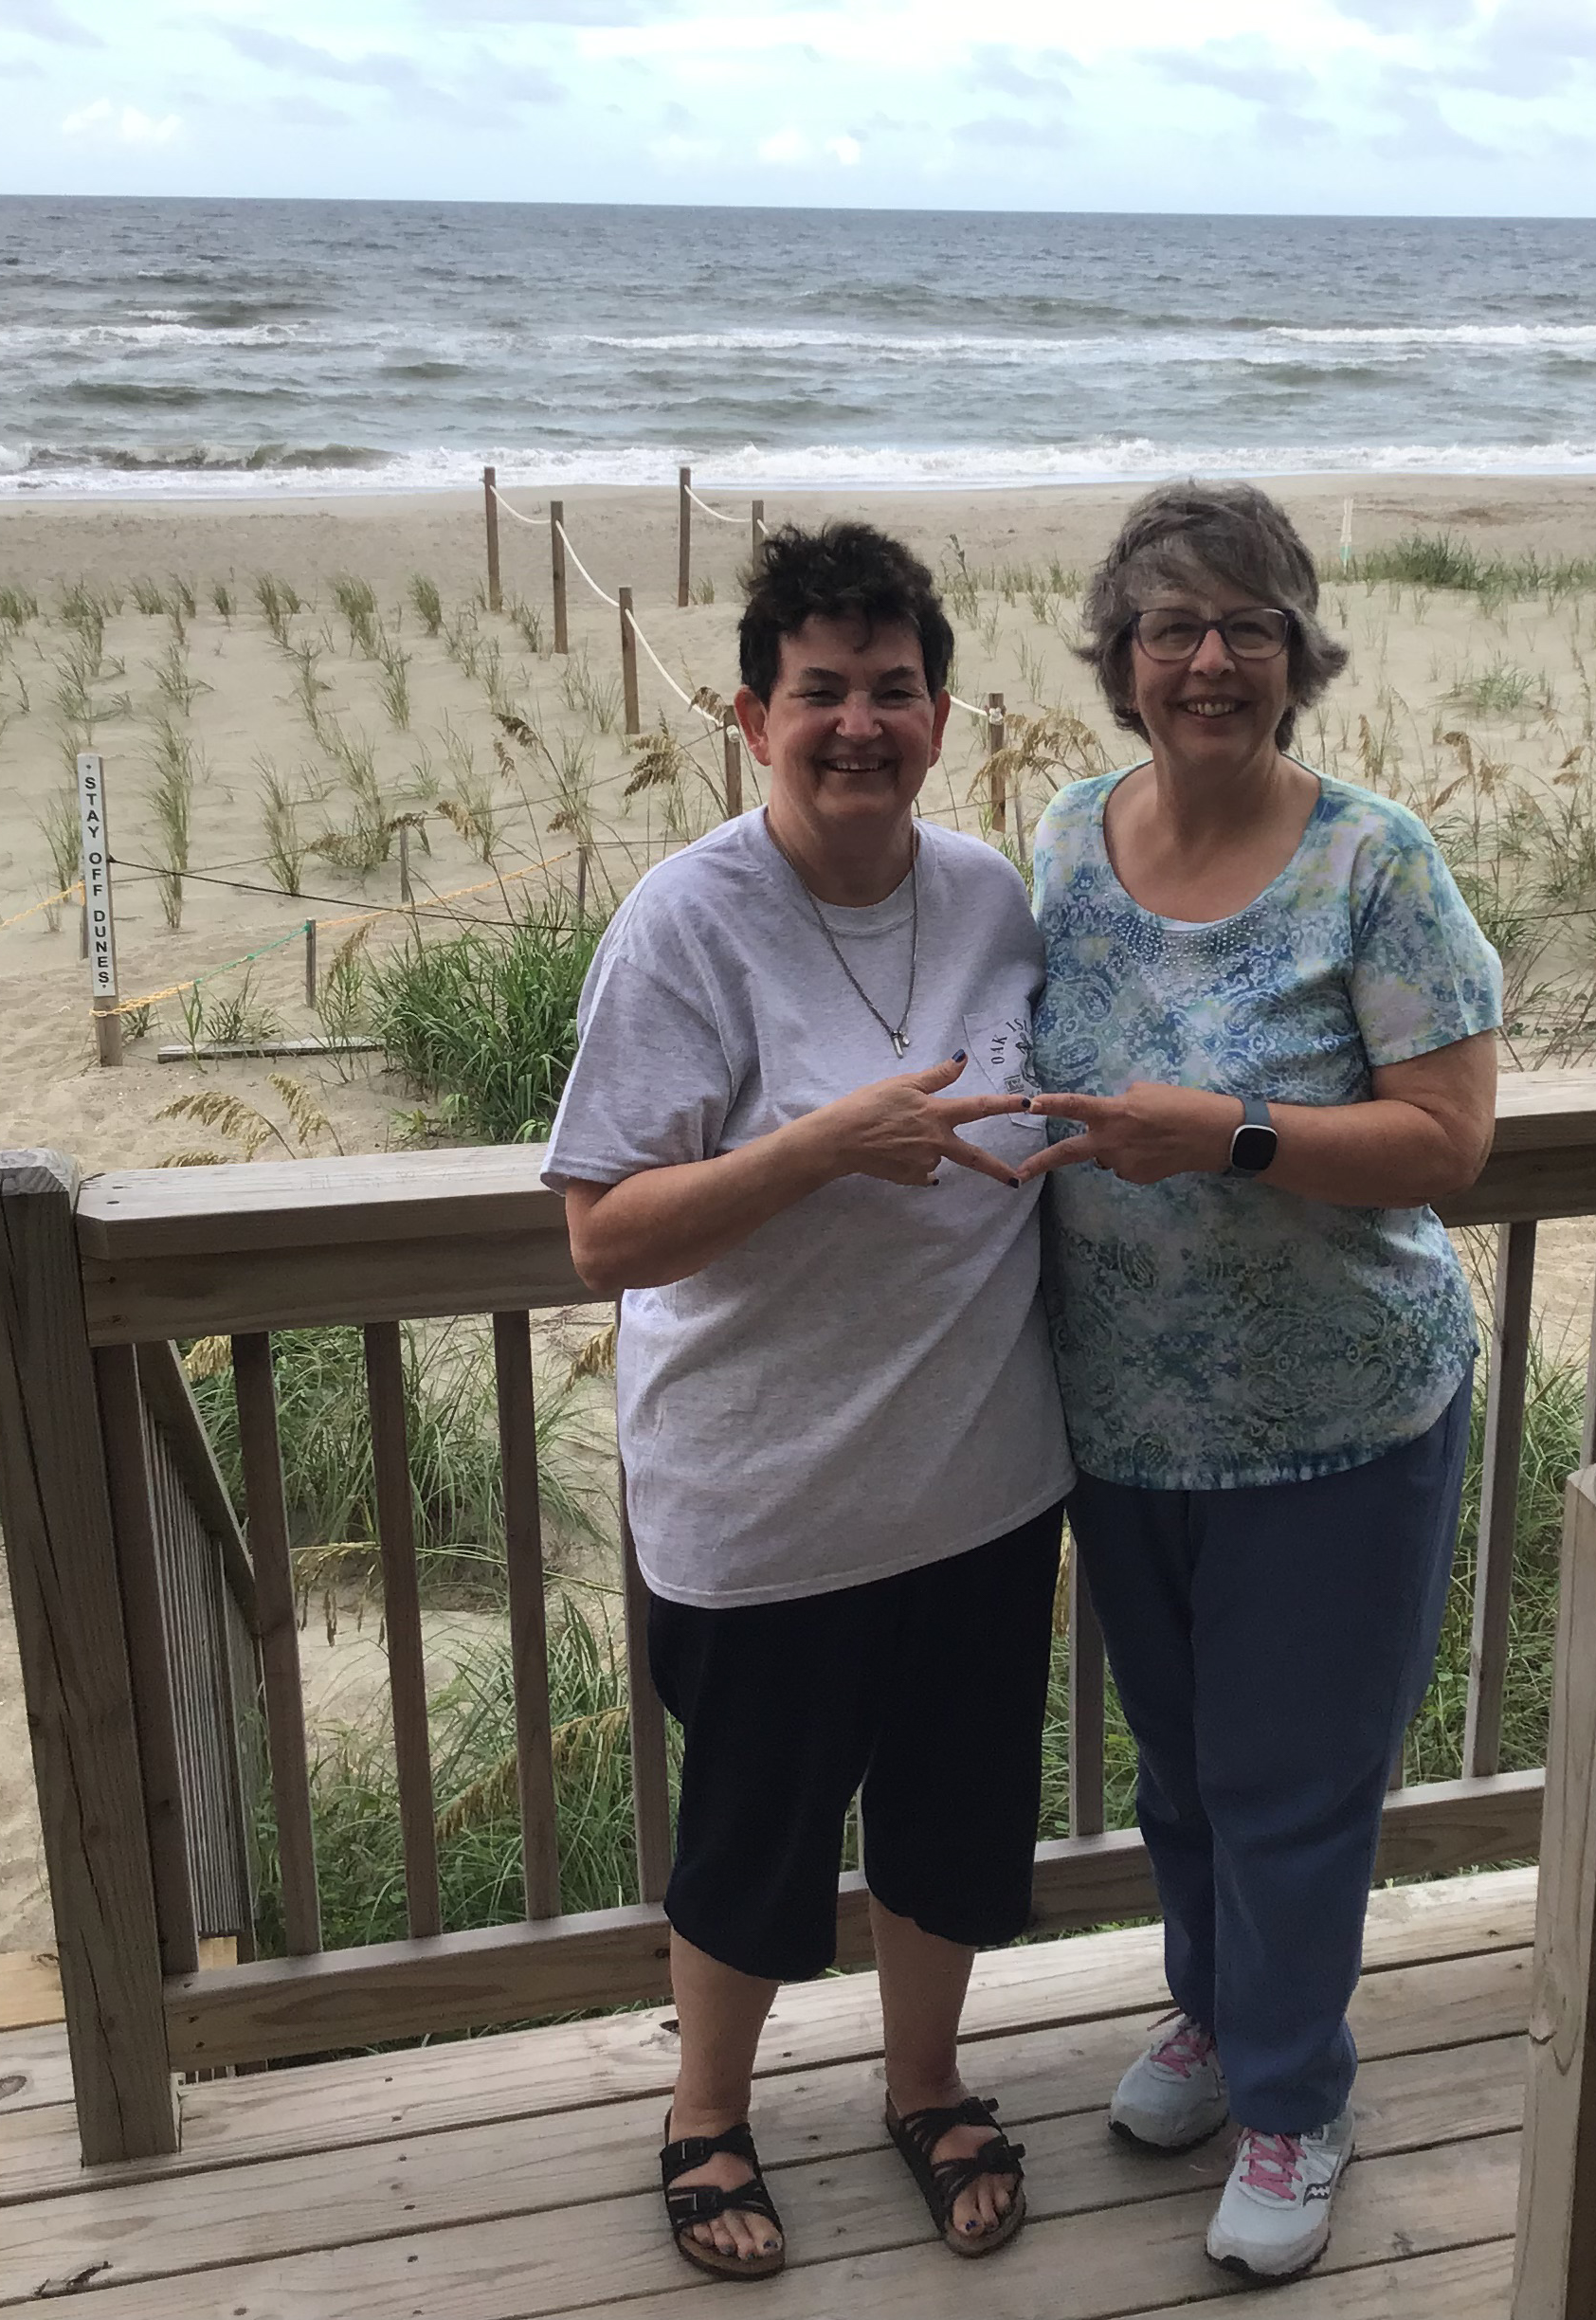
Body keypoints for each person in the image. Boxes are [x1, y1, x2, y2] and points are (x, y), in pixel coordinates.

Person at [543, 522, 1067, 2281]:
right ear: (754, 716)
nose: (861, 724)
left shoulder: (991, 896)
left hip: (983, 1483)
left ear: (941, 719)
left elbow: (1039, 1110)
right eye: (821, 691)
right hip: (766, 1501)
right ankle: (706, 2111)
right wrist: (821, 1148)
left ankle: (927, 2083)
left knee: (952, 1824)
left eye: (894, 690)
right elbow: (605, 1234)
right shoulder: (687, 924)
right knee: (754, 1839)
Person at [1019, 480, 1504, 2282]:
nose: (1209, 660)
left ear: (1299, 656)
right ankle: (1218, 2018)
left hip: (1337, 1422)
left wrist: (1231, 1132)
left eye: (1247, 627)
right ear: (1122, 657)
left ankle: (1297, 2103)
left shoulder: (1375, 863)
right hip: (1124, 1422)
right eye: (1172, 626)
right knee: (1180, 1771)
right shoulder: (1065, 839)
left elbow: (1447, 1142)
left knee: (1294, 1787)